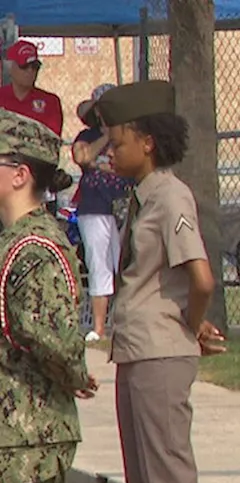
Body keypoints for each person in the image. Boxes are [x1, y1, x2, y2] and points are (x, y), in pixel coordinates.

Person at [88, 80, 226, 483]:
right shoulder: (142, 194)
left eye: (116, 141)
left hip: (163, 352)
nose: (108, 151)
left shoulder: (170, 197)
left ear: (147, 140)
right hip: (137, 350)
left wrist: (193, 324)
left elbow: (201, 277)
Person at [0, 109, 97, 483]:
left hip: (25, 438)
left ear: (16, 174)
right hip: (14, 437)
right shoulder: (14, 243)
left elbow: (57, 338)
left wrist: (74, 373)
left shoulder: (34, 246)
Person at [72, 83, 133, 342]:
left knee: (124, 265)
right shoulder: (87, 137)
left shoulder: (130, 136)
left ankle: (123, 323)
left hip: (122, 207)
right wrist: (107, 135)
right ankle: (98, 328)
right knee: (99, 265)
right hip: (94, 208)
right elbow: (82, 157)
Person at [0, 41, 63, 135]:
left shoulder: (50, 102)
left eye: (35, 66)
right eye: (24, 66)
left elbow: (51, 139)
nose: (30, 71)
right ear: (10, 67)